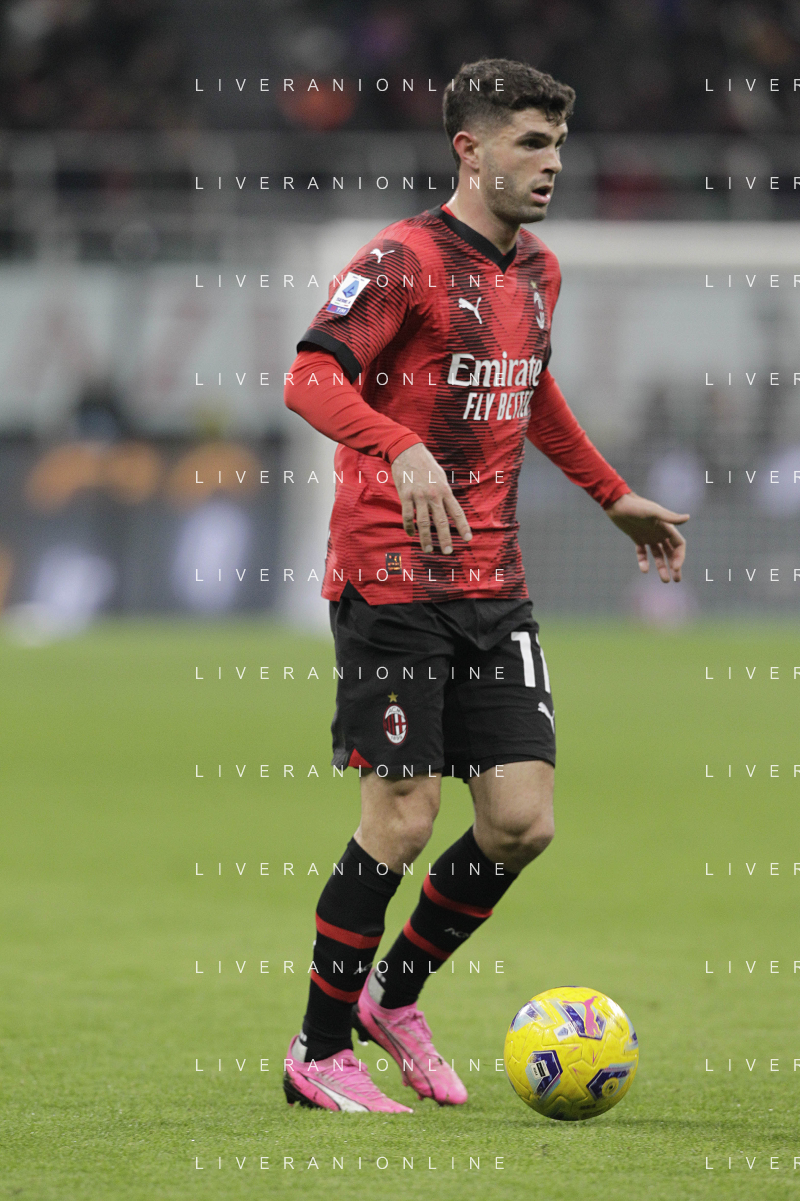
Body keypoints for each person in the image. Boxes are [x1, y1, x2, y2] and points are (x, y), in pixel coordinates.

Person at [281, 57, 688, 1113]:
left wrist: (612, 495)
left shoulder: (537, 272)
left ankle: (392, 998)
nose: (551, 163)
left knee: (519, 821)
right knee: (402, 818)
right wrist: (399, 446)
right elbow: (309, 376)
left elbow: (531, 389)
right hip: (391, 575)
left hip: (492, 581)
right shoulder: (402, 260)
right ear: (468, 150)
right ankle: (316, 1048)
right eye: (529, 142)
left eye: (557, 144)